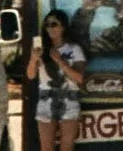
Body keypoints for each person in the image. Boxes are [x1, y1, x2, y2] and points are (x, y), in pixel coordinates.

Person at [31, 11, 87, 151]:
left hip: (69, 98)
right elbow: (31, 75)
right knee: (46, 148)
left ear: (63, 27)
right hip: (46, 98)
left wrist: (60, 61)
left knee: (67, 147)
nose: (50, 28)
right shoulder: (42, 49)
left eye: (54, 24)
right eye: (47, 25)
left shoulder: (74, 49)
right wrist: (33, 59)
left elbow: (79, 78)